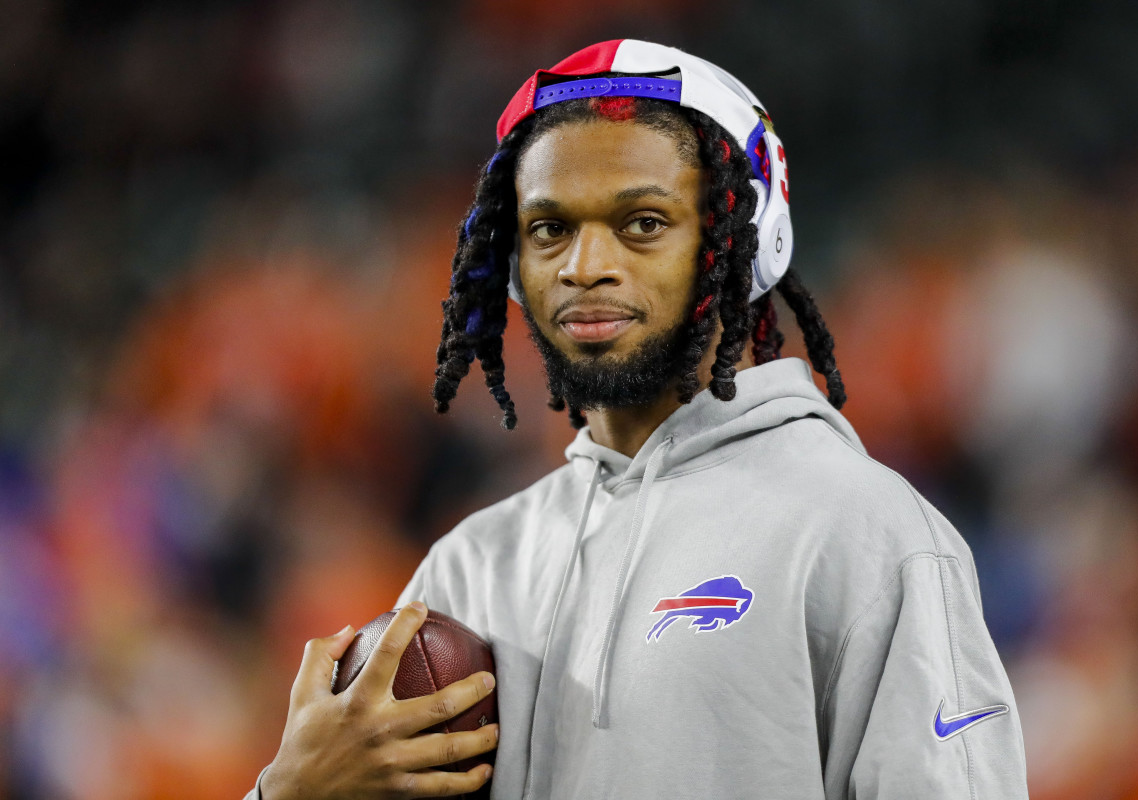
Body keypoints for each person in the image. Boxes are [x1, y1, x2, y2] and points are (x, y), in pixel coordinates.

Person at [249, 40, 1028, 799]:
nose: (586, 266)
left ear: (738, 245)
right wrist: (293, 790)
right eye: (550, 229)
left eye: (643, 223)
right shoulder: (473, 566)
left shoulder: (866, 533)